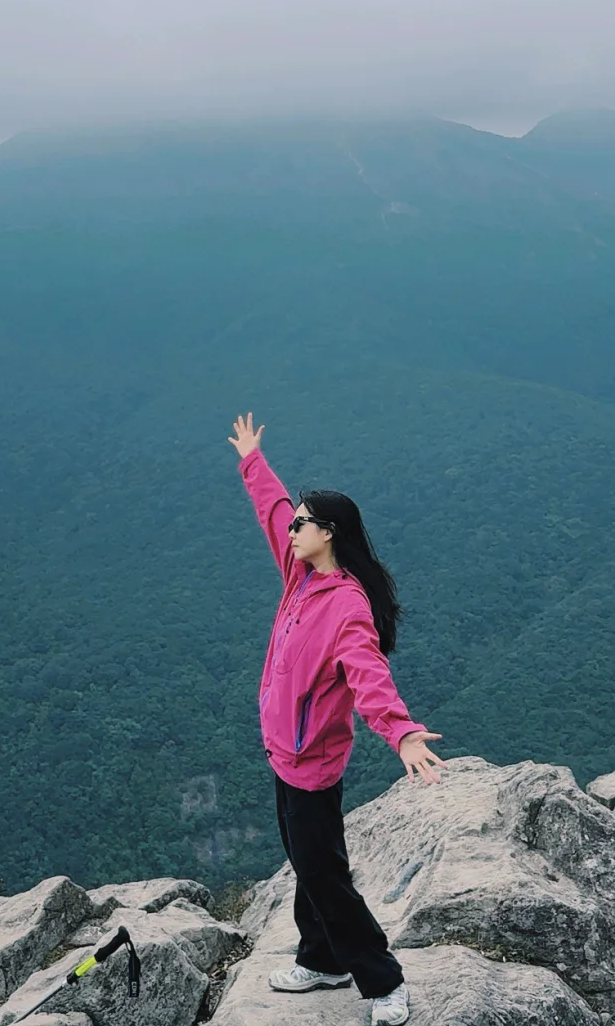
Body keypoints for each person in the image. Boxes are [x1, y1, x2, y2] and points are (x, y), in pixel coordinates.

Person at [229, 412, 445, 1026]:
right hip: (284, 750)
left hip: (311, 763)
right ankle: (321, 958)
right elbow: (272, 509)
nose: (292, 528)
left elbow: (368, 676)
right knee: (310, 862)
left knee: (325, 877)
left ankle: (382, 982)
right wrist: (252, 460)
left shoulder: (347, 606)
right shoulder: (299, 573)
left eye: (304, 523)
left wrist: (400, 732)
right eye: (296, 522)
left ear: (329, 534)